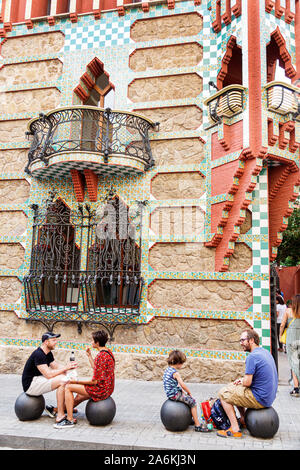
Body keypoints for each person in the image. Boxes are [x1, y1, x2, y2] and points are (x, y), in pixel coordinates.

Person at [217, 329, 278, 438]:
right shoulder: (264, 352)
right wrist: (241, 381)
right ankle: (244, 419)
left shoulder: (252, 357)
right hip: (269, 396)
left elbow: (247, 383)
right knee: (234, 388)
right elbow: (254, 378)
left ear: (251, 340)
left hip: (260, 398)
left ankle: (235, 428)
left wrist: (243, 381)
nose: (241, 343)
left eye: (243, 340)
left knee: (223, 393)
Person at [54, 330, 115, 428]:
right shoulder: (108, 352)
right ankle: (57, 410)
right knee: (79, 396)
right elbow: (96, 368)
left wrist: (75, 381)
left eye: (93, 340)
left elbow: (94, 381)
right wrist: (89, 355)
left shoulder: (101, 356)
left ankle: (69, 420)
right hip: (108, 388)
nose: (91, 342)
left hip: (100, 390)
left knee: (69, 387)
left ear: (97, 343)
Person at [21, 331, 78, 417]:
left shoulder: (48, 353)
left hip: (38, 379)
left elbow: (56, 366)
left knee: (66, 378)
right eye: (53, 340)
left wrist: (69, 370)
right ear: (46, 342)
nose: (56, 342)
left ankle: (65, 407)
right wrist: (66, 368)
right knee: (62, 381)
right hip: (31, 385)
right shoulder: (39, 354)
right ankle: (60, 414)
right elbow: (48, 375)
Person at [163, 349, 211, 432]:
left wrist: (183, 392)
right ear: (177, 362)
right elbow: (182, 384)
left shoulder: (167, 370)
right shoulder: (175, 373)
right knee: (193, 403)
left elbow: (173, 385)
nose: (182, 365)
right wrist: (189, 392)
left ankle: (189, 419)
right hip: (175, 395)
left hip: (170, 393)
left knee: (187, 399)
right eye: (181, 363)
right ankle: (197, 425)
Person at [281, 295, 300, 397]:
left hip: (291, 339)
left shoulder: (288, 311)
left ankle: (296, 389)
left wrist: (280, 335)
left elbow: (282, 324)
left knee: (294, 363)